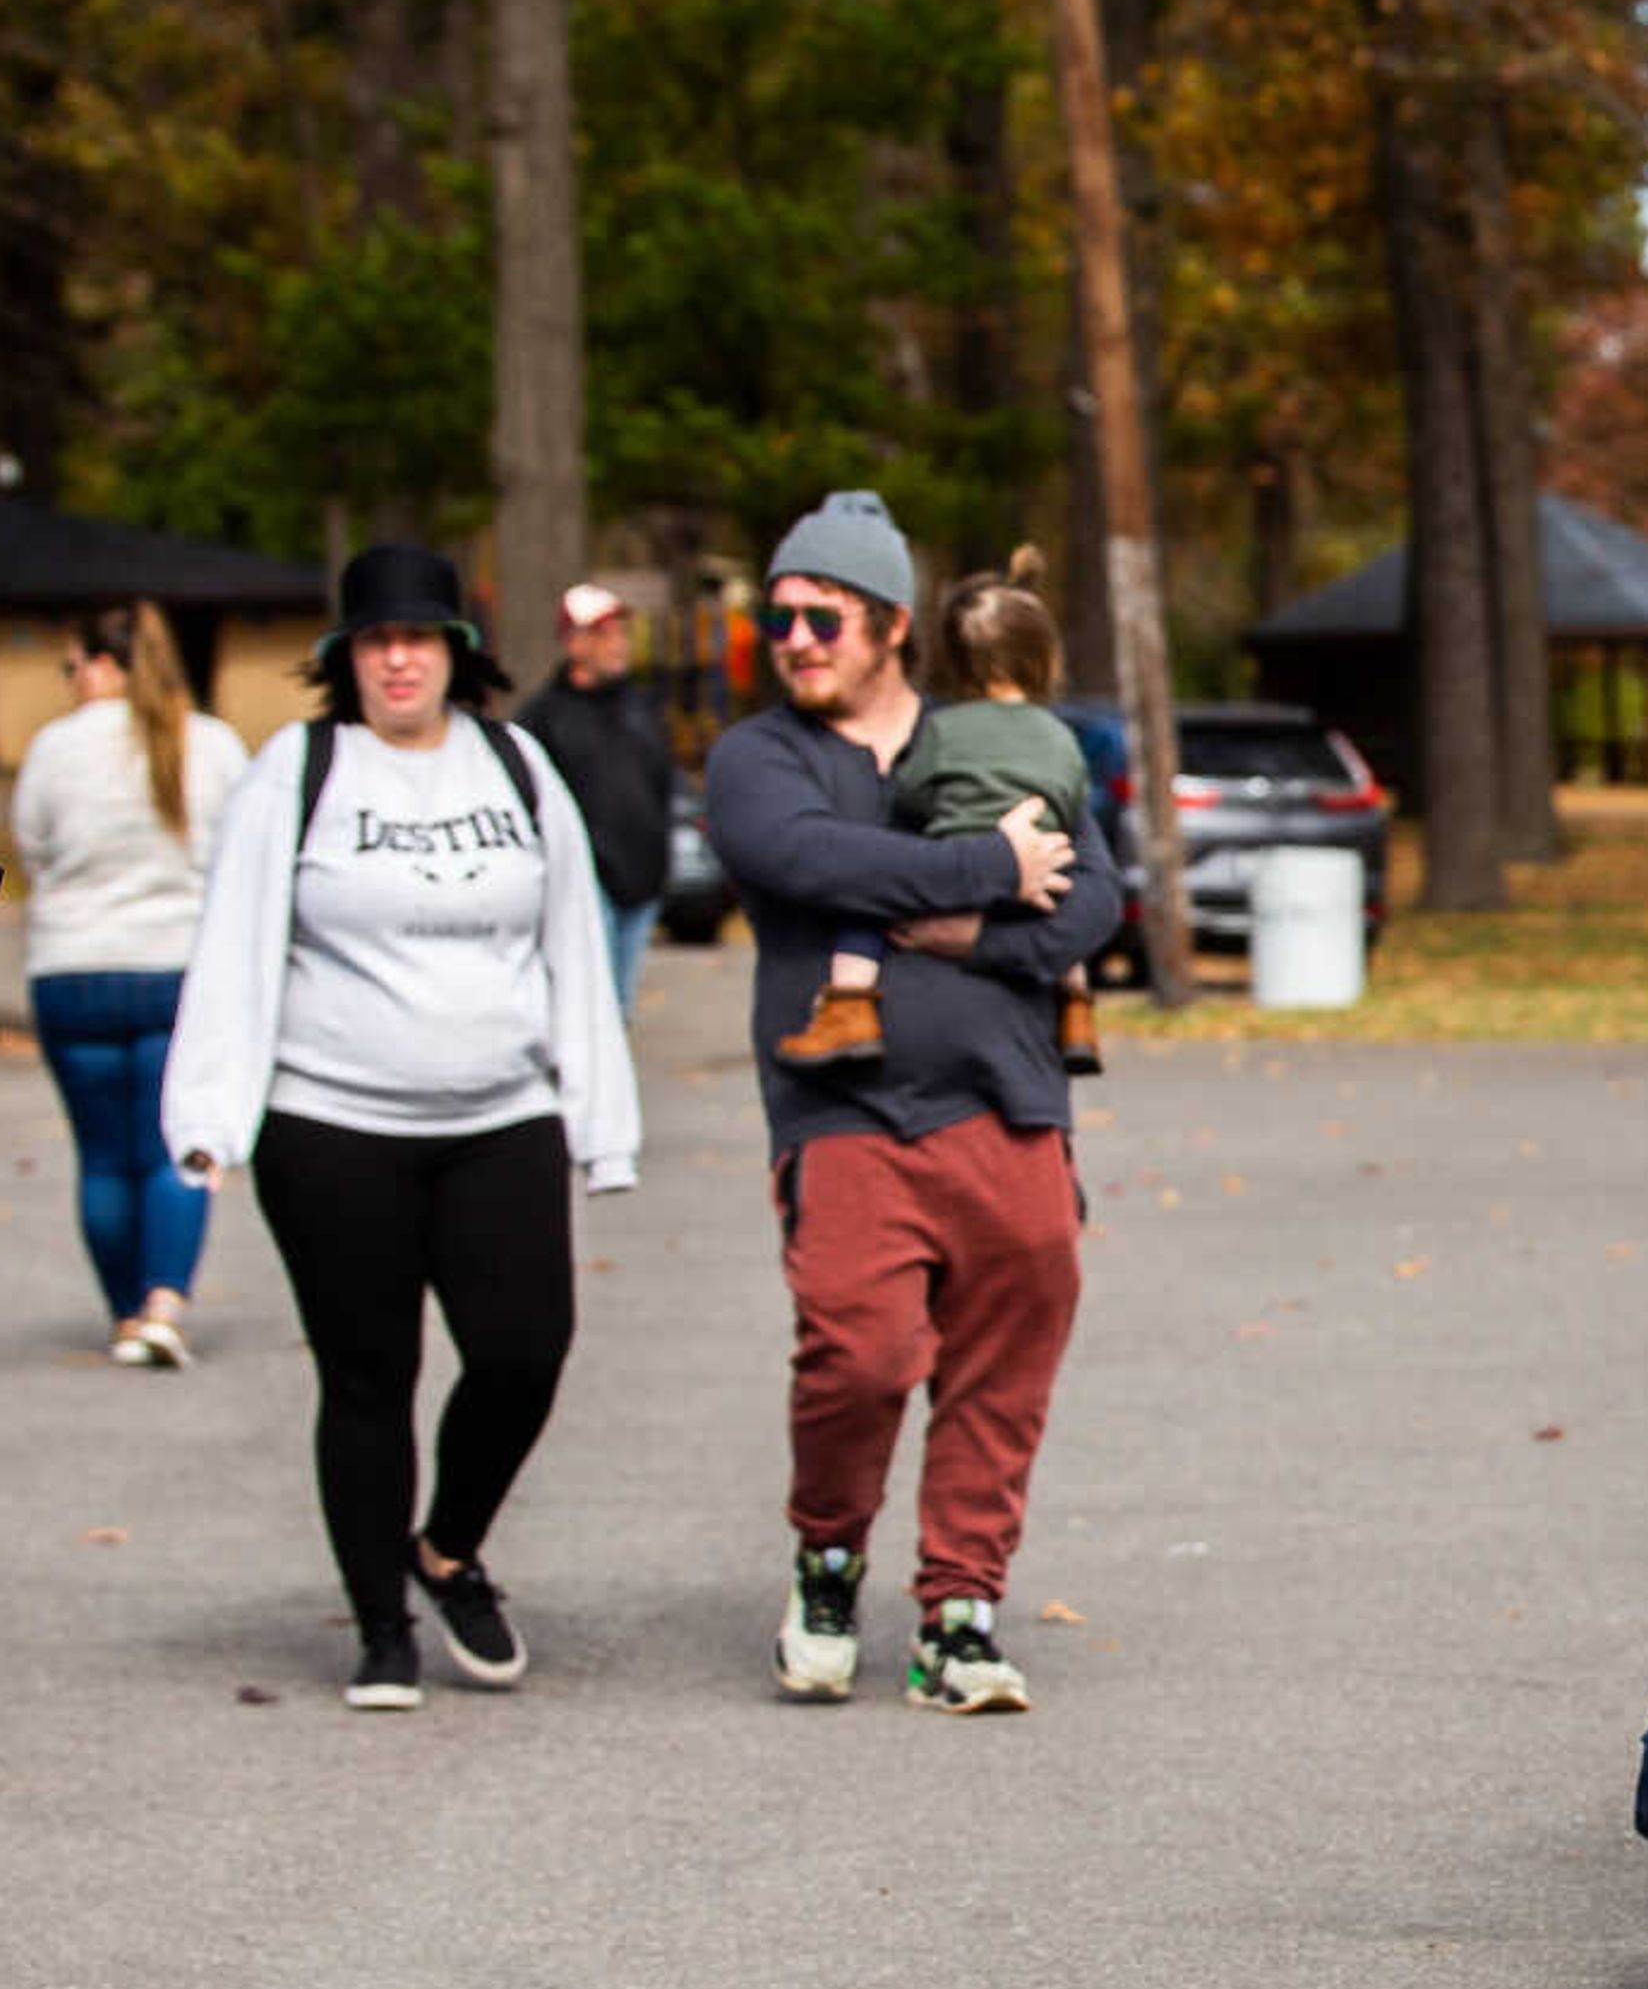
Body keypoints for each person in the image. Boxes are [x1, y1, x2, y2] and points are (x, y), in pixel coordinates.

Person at [159, 545, 638, 1710]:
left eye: (421, 638)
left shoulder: (516, 766)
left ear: (459, 654)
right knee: (369, 1374)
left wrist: (600, 1122)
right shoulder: (300, 770)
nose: (400, 659)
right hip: (334, 1123)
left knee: (525, 1349)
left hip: (500, 1116)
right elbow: (234, 945)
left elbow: (573, 944)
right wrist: (210, 1116)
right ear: (347, 660)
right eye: (377, 641)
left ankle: (447, 1547)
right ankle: (383, 1623)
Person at [702, 492, 1117, 1713]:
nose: (794, 636)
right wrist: (990, 876)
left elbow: (1091, 902)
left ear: (887, 622)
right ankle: (828, 1559)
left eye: (819, 613)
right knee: (860, 1353)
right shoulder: (761, 758)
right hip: (846, 1111)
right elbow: (805, 858)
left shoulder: (996, 727)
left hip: (1010, 1100)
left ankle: (960, 1611)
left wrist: (950, 932)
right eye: (779, 614)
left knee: (1007, 1357)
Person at [9, 603, 251, 1363]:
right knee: (174, 1147)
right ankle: (164, 1302)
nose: (70, 681)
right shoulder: (210, 744)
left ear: (102, 666)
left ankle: (122, 1311)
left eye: (71, 666)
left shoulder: (54, 748)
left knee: (104, 1154)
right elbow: (241, 851)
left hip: (72, 969)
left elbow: (33, 845)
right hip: (178, 969)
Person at [772, 551, 1101, 1078]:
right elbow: (1073, 799)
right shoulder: (1063, 736)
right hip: (1038, 881)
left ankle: (849, 1005)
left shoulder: (945, 730)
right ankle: (1078, 1012)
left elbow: (913, 791)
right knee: (1065, 915)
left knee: (867, 903)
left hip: (953, 869)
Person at [514, 580, 675, 1018]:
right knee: (588, 1008)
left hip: (642, 882)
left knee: (619, 1007)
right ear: (574, 642)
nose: (617, 644)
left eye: (620, 633)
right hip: (586, 885)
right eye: (604, 634)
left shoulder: (639, 707)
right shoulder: (543, 719)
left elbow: (660, 782)